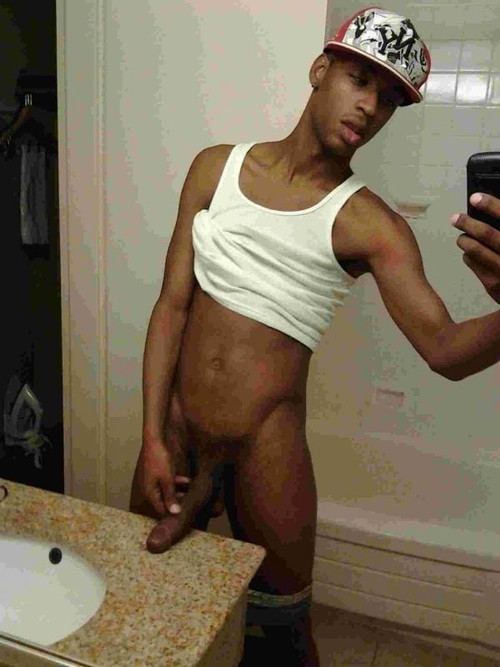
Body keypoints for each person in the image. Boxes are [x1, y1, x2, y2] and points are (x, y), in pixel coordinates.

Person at [129, 7, 500, 665]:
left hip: (267, 452)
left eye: (389, 100)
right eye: (360, 79)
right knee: (150, 614)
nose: (370, 107)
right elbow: (171, 307)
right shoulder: (215, 168)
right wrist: (152, 437)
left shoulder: (372, 225)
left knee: (283, 640)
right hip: (178, 433)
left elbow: (446, 350)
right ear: (320, 69)